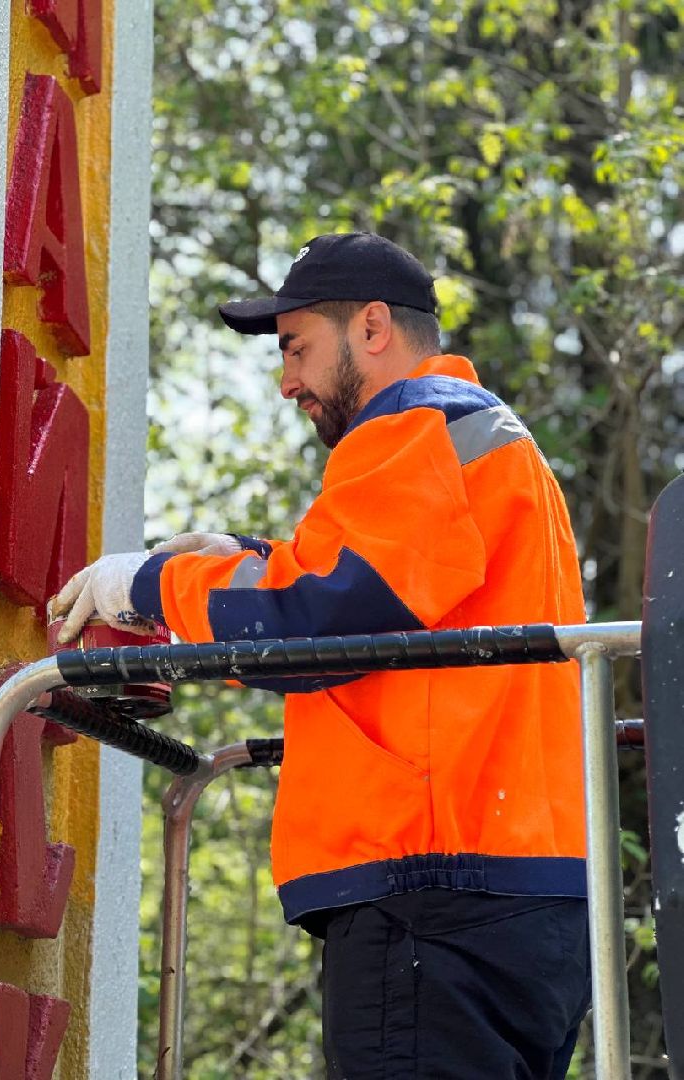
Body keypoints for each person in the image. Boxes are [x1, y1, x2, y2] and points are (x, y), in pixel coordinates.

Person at [53, 232, 592, 1079]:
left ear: (372, 328)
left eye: (296, 347)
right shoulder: (483, 442)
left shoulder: (416, 428)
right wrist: (238, 551)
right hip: (520, 896)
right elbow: (381, 599)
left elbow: (315, 623)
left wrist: (154, 587)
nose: (286, 381)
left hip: (429, 894)